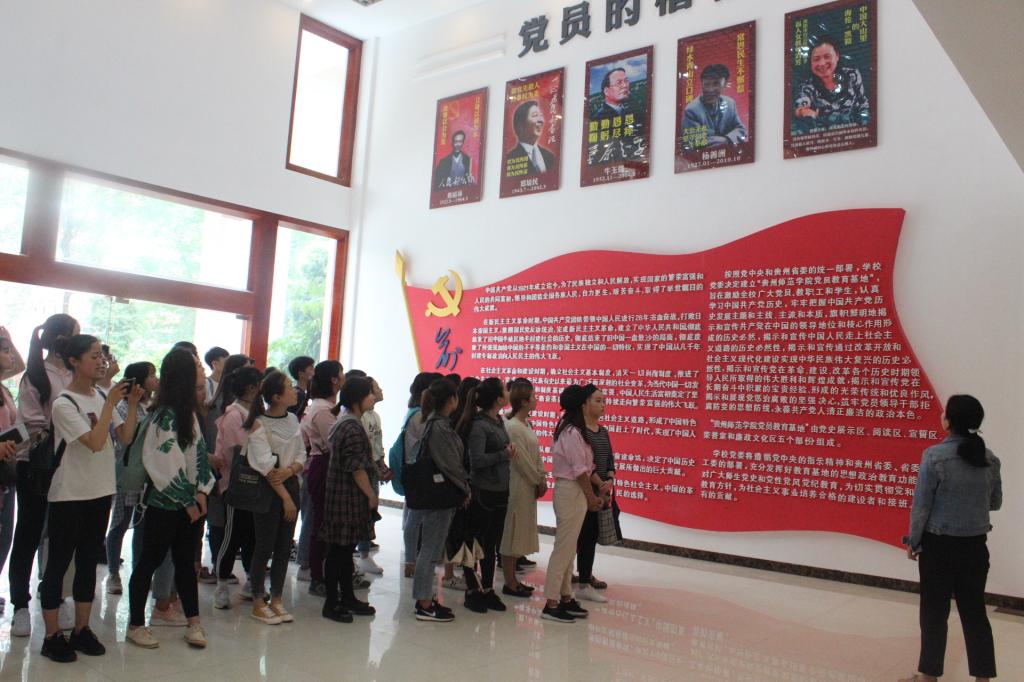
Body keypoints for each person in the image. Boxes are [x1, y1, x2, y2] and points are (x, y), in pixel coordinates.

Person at [39, 334, 143, 662]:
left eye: (102, 355)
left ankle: (81, 630)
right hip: (69, 494)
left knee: (87, 562)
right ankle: (52, 636)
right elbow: (95, 443)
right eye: (94, 356)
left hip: (100, 491)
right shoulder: (64, 403)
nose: (102, 361)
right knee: (58, 564)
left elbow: (125, 437)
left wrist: (132, 404)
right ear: (74, 361)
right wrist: (110, 403)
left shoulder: (99, 394)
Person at [902, 395, 1002, 682]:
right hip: (975, 547)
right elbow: (995, 502)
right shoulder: (990, 458)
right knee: (974, 612)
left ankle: (929, 676)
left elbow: (922, 506)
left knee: (934, 612)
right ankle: (983, 677)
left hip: (939, 547)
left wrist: (913, 541)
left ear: (950, 421)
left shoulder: (934, 456)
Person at [126, 348, 213, 650]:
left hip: (190, 503)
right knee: (149, 561)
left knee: (185, 563)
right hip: (165, 504)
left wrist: (202, 491)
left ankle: (194, 622)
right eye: (197, 365)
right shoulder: (163, 415)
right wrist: (188, 499)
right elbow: (163, 464)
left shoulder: (188, 412)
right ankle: (136, 624)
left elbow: (198, 456)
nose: (202, 369)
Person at [10, 313, 79, 638]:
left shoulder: (75, 374)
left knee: (60, 534)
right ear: (64, 339)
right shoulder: (36, 375)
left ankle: (53, 594)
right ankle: (20, 606)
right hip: (37, 466)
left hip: (69, 465)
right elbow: (31, 424)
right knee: (29, 533)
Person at [244, 369, 305, 625]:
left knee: (283, 546)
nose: (295, 390)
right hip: (269, 491)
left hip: (290, 483)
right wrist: (286, 498)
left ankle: (277, 599)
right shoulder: (258, 424)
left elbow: (302, 453)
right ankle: (258, 601)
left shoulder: (293, 419)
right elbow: (265, 465)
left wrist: (291, 470)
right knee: (264, 546)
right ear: (277, 397)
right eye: (289, 386)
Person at [405, 379, 469, 622]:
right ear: (451, 400)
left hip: (438, 494)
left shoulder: (434, 423)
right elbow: (450, 464)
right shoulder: (439, 427)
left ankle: (426, 599)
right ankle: (424, 602)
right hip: (440, 495)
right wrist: (464, 488)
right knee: (430, 549)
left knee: (431, 549)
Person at [542, 385, 603, 624]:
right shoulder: (571, 432)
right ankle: (551, 602)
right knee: (564, 549)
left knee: (568, 549)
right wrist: (591, 497)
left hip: (574, 491)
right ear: (582, 405)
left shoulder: (573, 430)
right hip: (571, 492)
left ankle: (566, 597)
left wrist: (598, 487)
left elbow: (587, 468)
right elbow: (579, 471)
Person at [320, 377, 378, 623]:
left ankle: (347, 597)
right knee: (339, 553)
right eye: (370, 393)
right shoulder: (352, 427)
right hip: (347, 499)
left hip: (342, 497)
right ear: (357, 399)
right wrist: (371, 495)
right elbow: (356, 468)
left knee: (345, 553)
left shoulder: (345, 421)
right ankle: (331, 603)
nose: (373, 397)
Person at [456, 377, 515, 613]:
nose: (508, 392)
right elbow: (477, 460)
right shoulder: (479, 425)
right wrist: (504, 454)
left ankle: (488, 589)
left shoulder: (498, 420)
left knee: (491, 543)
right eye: (504, 390)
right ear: (499, 399)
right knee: (476, 542)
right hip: (483, 490)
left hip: (500, 489)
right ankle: (472, 590)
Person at [211, 365, 263, 609]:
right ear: (251, 388)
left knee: (252, 536)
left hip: (254, 485)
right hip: (236, 486)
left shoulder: (252, 411)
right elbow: (237, 453)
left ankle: (252, 581)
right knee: (231, 537)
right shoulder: (234, 415)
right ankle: (221, 584)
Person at [105, 361, 157, 595]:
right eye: (151, 375)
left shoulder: (152, 406)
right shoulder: (123, 406)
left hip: (147, 473)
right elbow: (127, 438)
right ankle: (113, 573)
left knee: (143, 526)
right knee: (120, 523)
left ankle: (139, 573)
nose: (155, 379)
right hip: (126, 472)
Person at [298, 360, 344, 596]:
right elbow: (334, 444)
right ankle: (317, 574)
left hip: (325, 465)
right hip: (323, 466)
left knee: (325, 522)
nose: (343, 377)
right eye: (341, 374)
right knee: (321, 523)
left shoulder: (325, 407)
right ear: (334, 380)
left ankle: (326, 572)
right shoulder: (323, 409)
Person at [499, 379, 544, 597]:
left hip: (527, 485)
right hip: (517, 485)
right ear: (524, 401)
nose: (536, 399)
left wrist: (541, 477)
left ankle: (513, 580)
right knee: (512, 531)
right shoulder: (513, 427)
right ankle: (510, 581)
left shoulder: (526, 424)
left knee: (519, 532)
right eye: (533, 396)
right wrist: (537, 479)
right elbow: (521, 461)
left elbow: (535, 455)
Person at [574, 385, 618, 602]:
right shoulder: (579, 432)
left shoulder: (603, 431)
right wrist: (600, 484)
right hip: (583, 491)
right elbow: (583, 465)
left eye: (604, 401)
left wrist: (609, 479)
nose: (603, 405)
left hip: (600, 492)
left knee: (590, 536)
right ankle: (581, 578)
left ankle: (586, 575)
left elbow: (609, 458)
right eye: (598, 401)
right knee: (582, 536)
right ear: (585, 404)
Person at [0, 328, 26, 613]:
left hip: (6, 471)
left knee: (5, 535)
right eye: (4, 351)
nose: (10, 355)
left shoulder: (4, 389)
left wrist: (9, 339)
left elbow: (19, 365)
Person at [794, 35, 870, 130]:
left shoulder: (852, 75)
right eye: (816, 59)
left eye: (827, 57)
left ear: (837, 56)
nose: (822, 63)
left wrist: (864, 126)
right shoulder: (807, 87)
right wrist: (802, 111)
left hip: (855, 131)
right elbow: (800, 106)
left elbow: (863, 105)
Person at [357, 376, 390, 575]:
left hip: (373, 468)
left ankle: (364, 552)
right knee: (363, 511)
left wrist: (382, 463)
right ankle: (362, 554)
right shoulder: (360, 417)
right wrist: (374, 466)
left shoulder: (375, 416)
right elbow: (365, 447)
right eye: (375, 388)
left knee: (371, 511)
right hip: (365, 468)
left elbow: (377, 442)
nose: (379, 390)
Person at [682, 63, 747, 149]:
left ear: (724, 84)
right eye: (706, 84)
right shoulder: (691, 110)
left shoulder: (730, 103)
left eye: (716, 84)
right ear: (702, 83)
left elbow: (741, 129)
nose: (710, 90)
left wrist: (727, 139)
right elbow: (692, 142)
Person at [504, 100, 556, 176]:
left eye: (541, 115)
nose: (541, 120)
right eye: (535, 115)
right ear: (520, 125)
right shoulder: (509, 159)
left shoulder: (550, 157)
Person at [287, 356, 315, 420]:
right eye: (311, 369)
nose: (314, 372)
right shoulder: (297, 395)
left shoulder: (304, 393)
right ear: (301, 374)